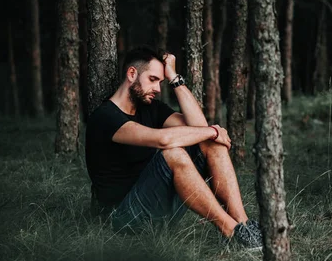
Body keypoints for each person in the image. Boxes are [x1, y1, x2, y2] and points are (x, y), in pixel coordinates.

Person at [85, 46, 262, 250]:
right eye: (153, 79)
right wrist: (214, 131)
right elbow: (163, 140)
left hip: (156, 207)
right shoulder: (105, 117)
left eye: (161, 82)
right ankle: (232, 233)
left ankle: (244, 225)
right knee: (176, 152)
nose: (159, 89)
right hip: (122, 218)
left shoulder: (151, 109)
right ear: (132, 73)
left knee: (211, 143)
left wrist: (173, 76)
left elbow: (199, 127)